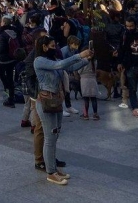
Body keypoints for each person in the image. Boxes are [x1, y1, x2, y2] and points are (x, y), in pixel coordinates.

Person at [33, 35, 92, 185]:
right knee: (49, 137)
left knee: (55, 135)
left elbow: (69, 67)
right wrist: (80, 55)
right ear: (44, 47)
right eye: (52, 45)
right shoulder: (40, 60)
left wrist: (87, 59)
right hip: (46, 101)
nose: (55, 48)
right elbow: (59, 66)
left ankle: (53, 167)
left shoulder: (53, 59)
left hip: (56, 101)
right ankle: (50, 172)